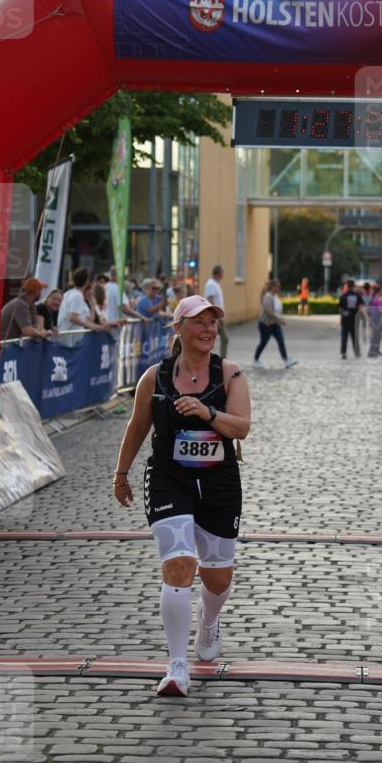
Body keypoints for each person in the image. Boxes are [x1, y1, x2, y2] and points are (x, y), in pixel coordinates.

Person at [112, 295, 251, 697]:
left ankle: (209, 621)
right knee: (178, 565)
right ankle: (176, 666)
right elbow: (137, 428)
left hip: (220, 483)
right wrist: (121, 474)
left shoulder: (231, 375)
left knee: (217, 575)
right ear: (179, 329)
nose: (208, 329)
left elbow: (241, 427)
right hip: (169, 476)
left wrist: (208, 414)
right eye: (198, 322)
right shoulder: (154, 377)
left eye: (212, 322)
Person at [57, 267, 109, 344]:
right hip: (70, 339)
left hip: (73, 338)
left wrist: (92, 306)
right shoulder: (77, 295)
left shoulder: (69, 294)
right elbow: (73, 317)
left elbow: (88, 319)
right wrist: (94, 326)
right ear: (86, 281)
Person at [253, 279, 297, 369]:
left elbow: (276, 311)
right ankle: (256, 360)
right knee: (263, 342)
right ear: (273, 287)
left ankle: (286, 360)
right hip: (265, 324)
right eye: (277, 287)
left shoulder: (275, 297)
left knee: (281, 341)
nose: (279, 288)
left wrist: (279, 319)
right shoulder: (268, 296)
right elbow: (269, 312)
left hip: (275, 324)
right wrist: (280, 320)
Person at [204, 265, 228, 358]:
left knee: (214, 338)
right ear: (219, 273)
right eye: (222, 272)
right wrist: (215, 316)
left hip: (218, 316)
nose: (223, 275)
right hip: (215, 317)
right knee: (224, 338)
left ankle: (220, 358)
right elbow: (210, 300)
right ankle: (222, 359)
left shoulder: (215, 283)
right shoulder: (211, 284)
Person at [339, 279, 362, 359]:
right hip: (354, 319)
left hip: (345, 319)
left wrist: (342, 316)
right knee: (355, 336)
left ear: (347, 286)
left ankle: (343, 353)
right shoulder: (357, 296)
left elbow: (340, 308)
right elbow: (360, 307)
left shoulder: (343, 296)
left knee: (344, 336)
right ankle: (357, 352)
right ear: (353, 286)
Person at [367, 284, 382, 357]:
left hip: (373, 319)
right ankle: (373, 351)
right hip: (377, 319)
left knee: (377, 335)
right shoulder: (378, 300)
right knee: (376, 335)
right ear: (379, 292)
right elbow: (381, 310)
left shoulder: (373, 299)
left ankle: (375, 350)